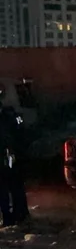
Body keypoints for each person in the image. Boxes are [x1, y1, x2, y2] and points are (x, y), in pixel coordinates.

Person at [0, 89, 29, 226]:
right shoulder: (10, 116)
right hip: (9, 156)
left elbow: (16, 135)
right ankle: (13, 215)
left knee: (11, 187)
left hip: (9, 157)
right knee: (8, 188)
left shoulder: (9, 117)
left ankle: (16, 215)